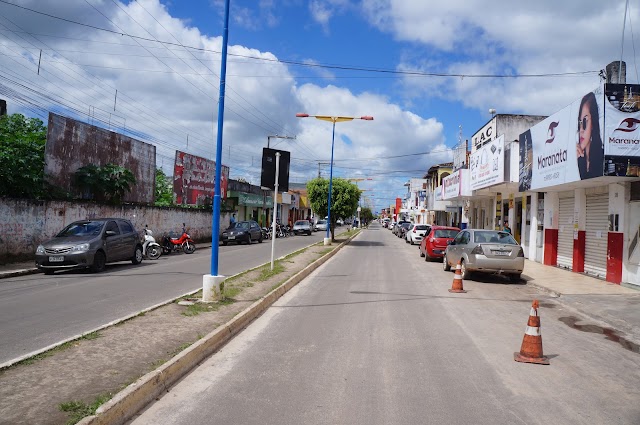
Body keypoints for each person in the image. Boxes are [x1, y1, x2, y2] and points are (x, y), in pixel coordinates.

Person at [576, 91, 604, 180]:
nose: (581, 130)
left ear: (593, 123)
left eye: (584, 122)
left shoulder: (603, 157)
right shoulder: (575, 157)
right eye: (578, 123)